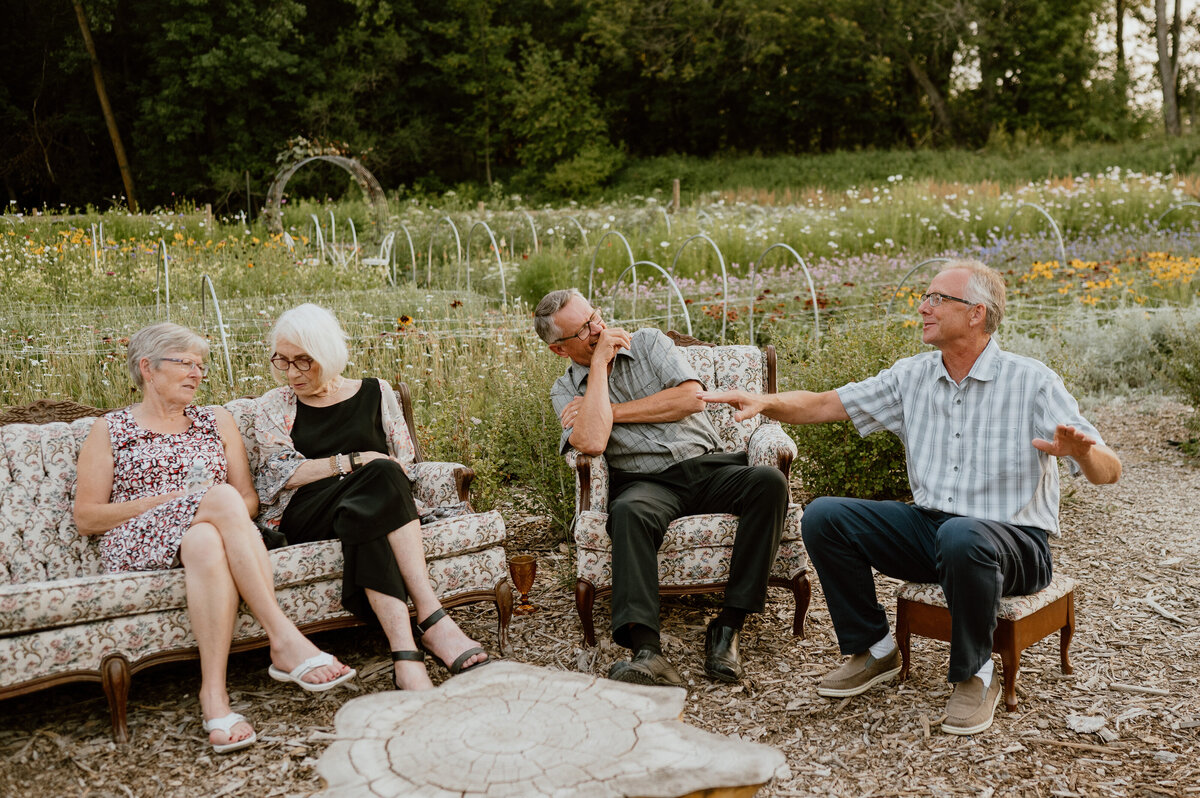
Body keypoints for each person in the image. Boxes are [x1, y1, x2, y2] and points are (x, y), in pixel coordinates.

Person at [700, 259, 1122, 735]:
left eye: (937, 298)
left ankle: (975, 672)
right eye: (925, 297)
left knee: (965, 535)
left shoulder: (1033, 382)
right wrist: (765, 403)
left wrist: (1082, 453)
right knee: (824, 516)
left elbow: (1109, 470)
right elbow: (825, 403)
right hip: (935, 531)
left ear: (976, 313)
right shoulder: (911, 377)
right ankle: (875, 648)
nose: (923, 307)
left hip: (1016, 544)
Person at [74, 323, 355, 755]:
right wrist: (176, 501)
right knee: (217, 498)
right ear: (147, 368)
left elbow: (249, 501)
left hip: (206, 534)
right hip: (138, 541)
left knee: (206, 537)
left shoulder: (215, 420)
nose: (196, 373)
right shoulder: (111, 428)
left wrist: (201, 509)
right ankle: (283, 637)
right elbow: (88, 517)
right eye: (184, 363)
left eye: (200, 365)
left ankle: (214, 698)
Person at [534, 288, 789, 687]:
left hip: (707, 466)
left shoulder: (650, 342)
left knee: (769, 482)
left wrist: (609, 411)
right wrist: (598, 369)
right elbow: (593, 441)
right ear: (559, 350)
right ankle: (647, 652)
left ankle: (728, 627)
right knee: (627, 513)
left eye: (594, 317)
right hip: (645, 483)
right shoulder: (565, 391)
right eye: (584, 330)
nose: (598, 329)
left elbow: (690, 399)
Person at [252, 303, 489, 692]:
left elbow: (406, 463)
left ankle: (405, 653)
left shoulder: (376, 391)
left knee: (369, 507)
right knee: (378, 472)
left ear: (327, 354)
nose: (291, 372)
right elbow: (281, 477)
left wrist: (370, 470)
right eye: (283, 361)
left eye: (303, 361)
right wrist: (353, 461)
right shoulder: (274, 405)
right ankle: (433, 620)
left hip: (367, 508)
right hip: (307, 511)